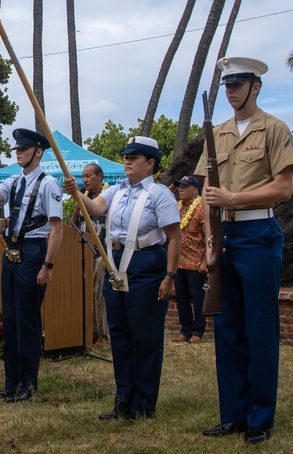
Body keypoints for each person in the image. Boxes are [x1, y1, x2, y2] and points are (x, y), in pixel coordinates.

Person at [195, 57, 293, 445]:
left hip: (257, 230)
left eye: (238, 84)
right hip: (224, 236)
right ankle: (233, 414)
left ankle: (260, 417)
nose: (231, 91)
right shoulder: (216, 133)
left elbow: (284, 188)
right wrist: (209, 239)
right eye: (227, 85)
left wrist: (234, 198)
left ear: (255, 86)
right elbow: (206, 195)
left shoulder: (274, 129)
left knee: (260, 326)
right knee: (228, 328)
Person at [65, 136, 181, 421]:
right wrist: (75, 193)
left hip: (145, 263)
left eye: (135, 157)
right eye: (126, 156)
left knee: (144, 335)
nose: (127, 161)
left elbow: (175, 237)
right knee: (120, 335)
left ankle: (143, 404)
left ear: (150, 163)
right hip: (114, 263)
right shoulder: (117, 190)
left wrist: (169, 275)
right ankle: (123, 399)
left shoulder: (159, 194)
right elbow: (95, 209)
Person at [0, 128, 63, 403]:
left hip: (33, 252)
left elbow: (57, 228)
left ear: (38, 152)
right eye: (16, 149)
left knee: (27, 321)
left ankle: (28, 383)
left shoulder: (49, 183)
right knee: (12, 320)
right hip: (12, 252)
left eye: (24, 149)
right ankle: (11, 382)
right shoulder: (14, 182)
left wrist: (47, 266)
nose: (18, 153)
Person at [70, 162, 109, 344]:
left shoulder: (107, 197)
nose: (85, 180)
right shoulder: (83, 199)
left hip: (101, 253)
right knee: (85, 294)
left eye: (88, 176)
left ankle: (103, 334)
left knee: (100, 294)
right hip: (83, 254)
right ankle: (89, 332)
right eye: (83, 177)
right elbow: (71, 228)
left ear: (99, 177)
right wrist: (77, 210)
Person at [172, 175, 208, 344]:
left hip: (196, 261)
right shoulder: (177, 208)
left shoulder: (201, 208)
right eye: (179, 187)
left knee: (197, 297)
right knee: (182, 298)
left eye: (185, 187)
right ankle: (185, 330)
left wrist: (206, 260)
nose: (180, 190)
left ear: (195, 190)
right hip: (179, 262)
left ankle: (198, 331)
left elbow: (209, 235)